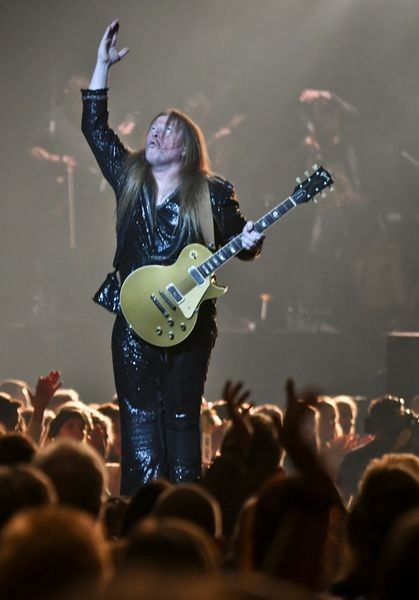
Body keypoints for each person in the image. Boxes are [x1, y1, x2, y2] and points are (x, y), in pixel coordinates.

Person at [81, 20, 263, 496]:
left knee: (183, 417)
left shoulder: (214, 193)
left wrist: (250, 241)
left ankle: (186, 509)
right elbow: (94, 128)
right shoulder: (129, 178)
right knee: (138, 419)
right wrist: (101, 66)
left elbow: (245, 245)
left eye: (168, 130)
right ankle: (140, 510)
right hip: (135, 318)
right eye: (153, 128)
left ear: (187, 146)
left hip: (191, 320)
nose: (156, 134)